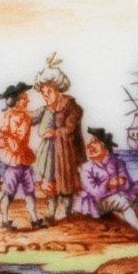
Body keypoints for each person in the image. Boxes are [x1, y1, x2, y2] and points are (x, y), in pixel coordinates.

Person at [76, 128, 138, 232]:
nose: (89, 146)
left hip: (122, 195)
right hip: (98, 203)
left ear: (104, 145)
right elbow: (94, 192)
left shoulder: (117, 162)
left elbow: (128, 185)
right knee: (120, 199)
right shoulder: (86, 168)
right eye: (90, 142)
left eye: (94, 142)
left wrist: (122, 181)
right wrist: (108, 184)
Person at [33, 57, 87, 222]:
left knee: (65, 184)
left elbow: (69, 129)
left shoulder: (72, 107)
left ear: (57, 90)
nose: (46, 96)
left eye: (48, 92)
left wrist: (54, 133)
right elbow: (31, 118)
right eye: (43, 93)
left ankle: (65, 214)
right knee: (49, 183)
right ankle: (51, 213)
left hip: (66, 152)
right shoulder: (47, 109)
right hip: (50, 153)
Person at [0, 83, 43, 231]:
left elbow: (35, 117)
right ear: (16, 101)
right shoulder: (12, 116)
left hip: (23, 158)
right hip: (14, 160)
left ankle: (35, 219)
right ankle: (4, 220)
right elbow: (3, 138)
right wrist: (11, 143)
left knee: (29, 190)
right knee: (9, 192)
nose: (27, 100)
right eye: (24, 98)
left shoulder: (23, 116)